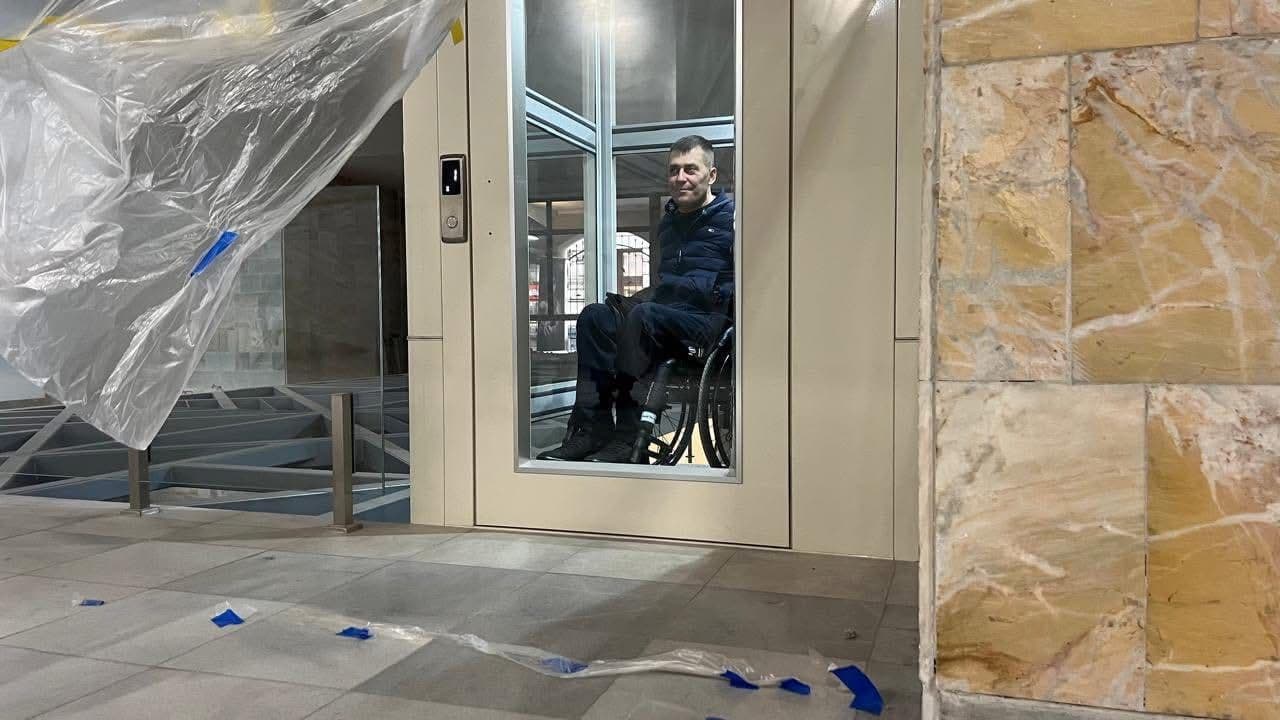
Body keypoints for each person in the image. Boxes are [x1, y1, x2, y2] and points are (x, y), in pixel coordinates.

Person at [539, 135, 734, 464]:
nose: (680, 178)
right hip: (665, 315)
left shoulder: (731, 220)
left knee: (644, 316)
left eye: (690, 169)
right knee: (596, 316)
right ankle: (591, 429)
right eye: (673, 170)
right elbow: (666, 283)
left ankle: (628, 438)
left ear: (711, 175)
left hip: (707, 322)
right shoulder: (669, 223)